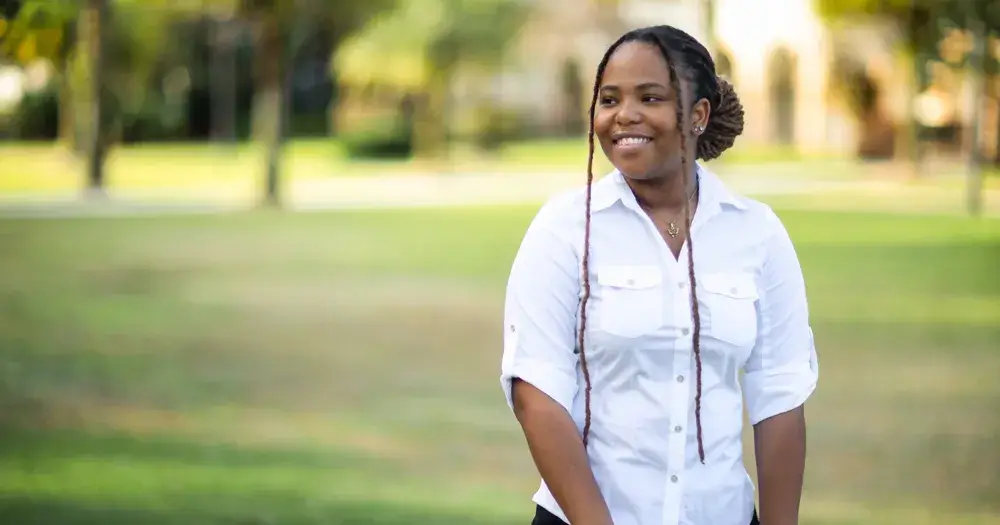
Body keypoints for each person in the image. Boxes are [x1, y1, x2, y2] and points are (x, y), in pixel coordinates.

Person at [500, 25, 819, 525]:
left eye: (649, 96)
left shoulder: (757, 232)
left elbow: (779, 396)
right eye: (609, 99)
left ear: (697, 115)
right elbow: (536, 392)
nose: (624, 114)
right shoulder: (564, 229)